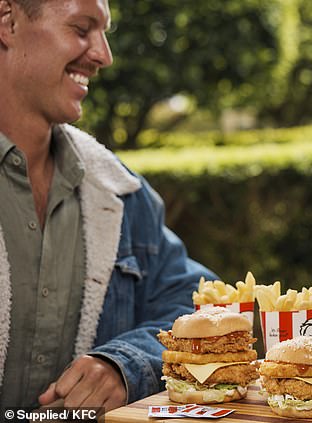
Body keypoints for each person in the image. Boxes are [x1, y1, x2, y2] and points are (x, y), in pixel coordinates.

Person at [0, 0, 215, 410]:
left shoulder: (119, 192)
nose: (104, 55)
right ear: (8, 22)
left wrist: (124, 364)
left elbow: (202, 305)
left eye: (105, 33)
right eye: (82, 29)